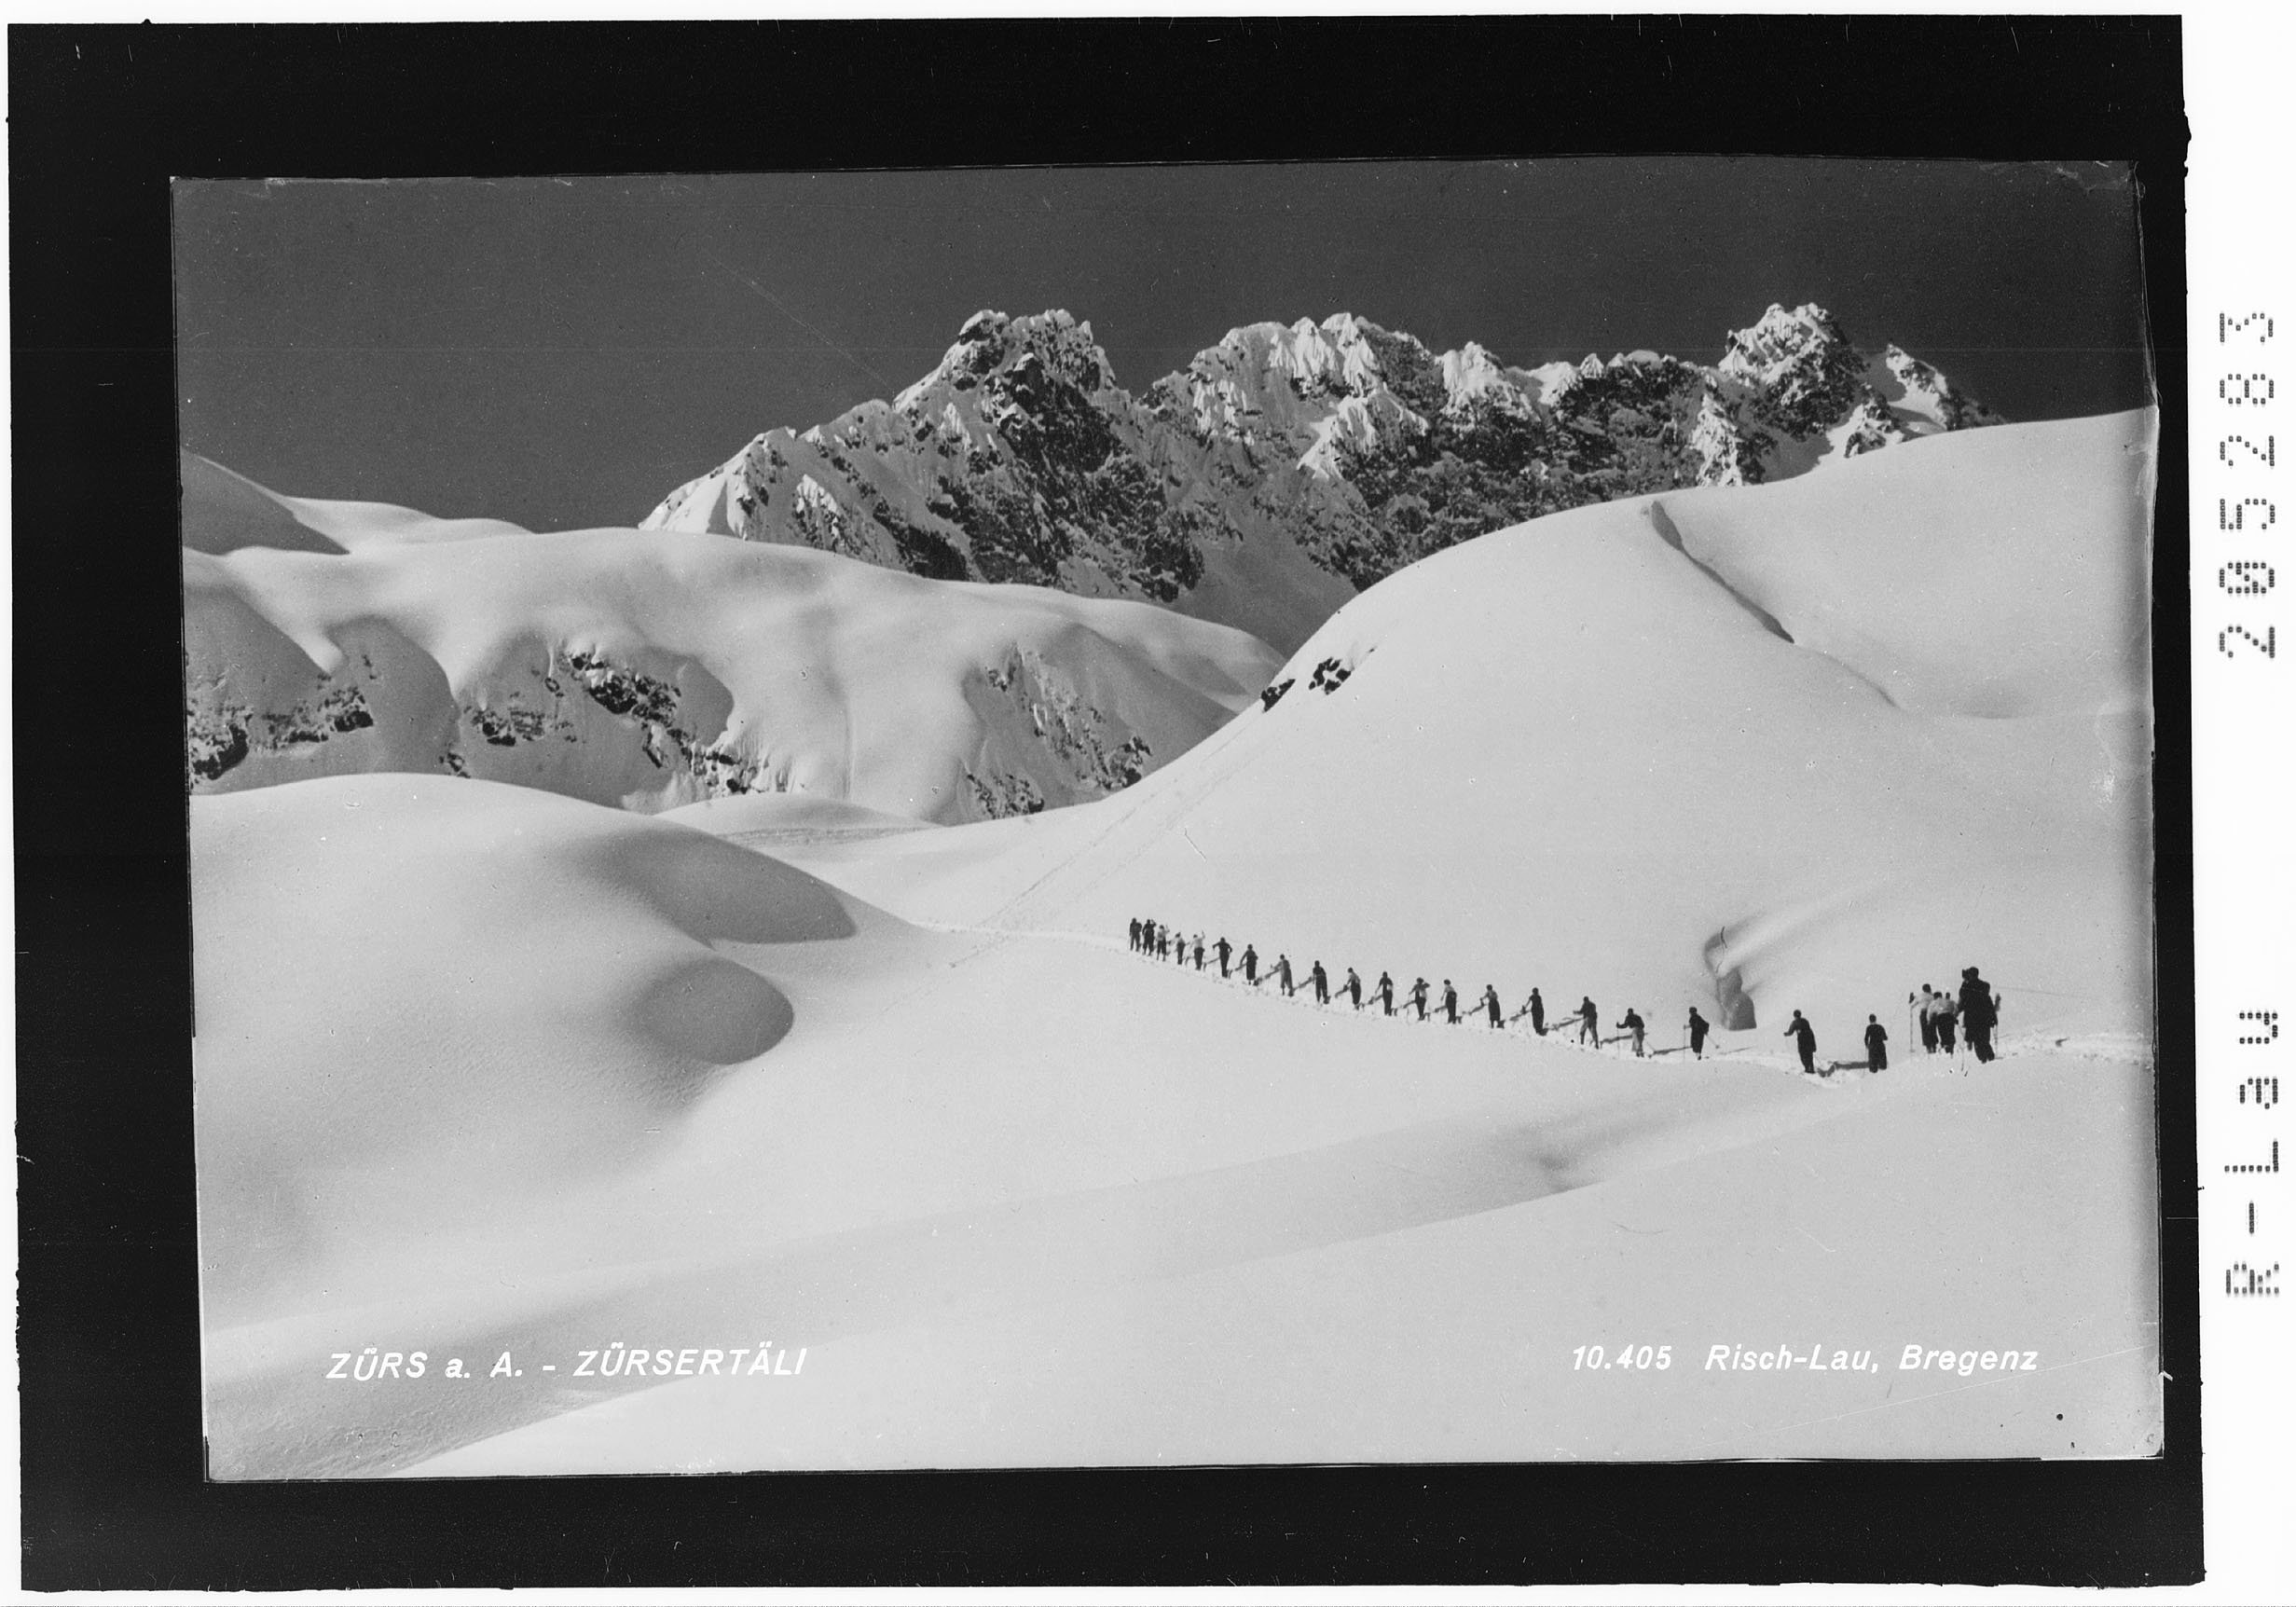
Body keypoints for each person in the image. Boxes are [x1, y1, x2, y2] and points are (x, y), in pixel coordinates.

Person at [1958, 967, 2000, 1063]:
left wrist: (1965, 981)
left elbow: (1962, 995)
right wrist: (1993, 1018)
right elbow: (1988, 1002)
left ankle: (1984, 1059)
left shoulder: (1967, 988)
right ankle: (1990, 1057)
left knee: (1977, 1042)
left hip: (1972, 1019)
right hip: (1985, 1018)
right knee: (1985, 1040)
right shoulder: (1984, 986)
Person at [1784, 1010, 1818, 1076]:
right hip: (1809, 1038)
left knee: (1803, 1054)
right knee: (1809, 1054)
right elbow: (1809, 1029)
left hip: (1802, 1040)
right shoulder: (1805, 1021)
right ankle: (1811, 1068)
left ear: (1794, 1016)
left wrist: (1786, 1034)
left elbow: (1790, 1032)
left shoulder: (1795, 1022)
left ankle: (1807, 1068)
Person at [1932, 990, 1959, 1054]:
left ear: (1934, 997)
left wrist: (1929, 1020)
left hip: (1940, 1018)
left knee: (1942, 1032)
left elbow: (1930, 1012)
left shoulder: (1934, 1002)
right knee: (1950, 1031)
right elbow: (1956, 1009)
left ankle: (1945, 1045)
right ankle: (1951, 1044)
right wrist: (1954, 1016)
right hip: (1949, 1017)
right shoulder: (1949, 1001)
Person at [1915, 985, 1939, 1053]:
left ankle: (1928, 1047)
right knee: (1932, 1029)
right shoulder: (1932, 996)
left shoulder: (1919, 996)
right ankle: (1934, 1046)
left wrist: (1911, 999)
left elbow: (1912, 1005)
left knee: (1924, 1030)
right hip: (1932, 1014)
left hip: (1923, 1013)